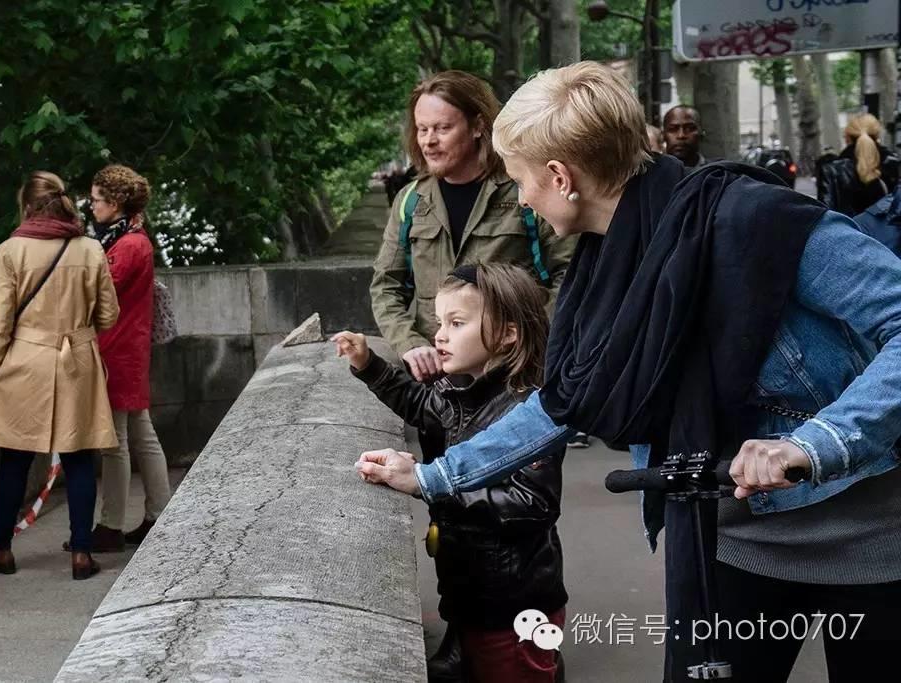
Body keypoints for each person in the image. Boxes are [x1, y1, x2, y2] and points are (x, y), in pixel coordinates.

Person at [356, 61, 901, 682]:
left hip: (870, 540)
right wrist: (436, 476)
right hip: (725, 542)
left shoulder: (765, 222)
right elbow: (561, 401)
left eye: (521, 182)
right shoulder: (606, 264)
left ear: (561, 178)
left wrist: (817, 443)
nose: (524, 202)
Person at [334, 263, 566, 683]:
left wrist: (433, 487)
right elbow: (420, 406)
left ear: (508, 333)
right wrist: (369, 365)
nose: (439, 334)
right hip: (473, 589)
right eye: (439, 322)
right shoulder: (459, 388)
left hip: (511, 598)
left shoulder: (526, 409)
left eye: (456, 323)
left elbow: (535, 503)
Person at [369, 70, 582, 457]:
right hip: (439, 383)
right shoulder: (410, 201)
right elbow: (386, 285)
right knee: (444, 497)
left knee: (520, 500)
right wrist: (411, 344)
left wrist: (524, 337)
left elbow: (571, 274)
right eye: (422, 130)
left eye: (442, 128)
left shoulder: (524, 189)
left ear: (478, 126)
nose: (429, 141)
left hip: (514, 382)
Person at [0, 171, 118, 580]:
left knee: (14, 460)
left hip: (24, 362)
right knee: (79, 458)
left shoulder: (10, 250)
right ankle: (80, 555)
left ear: (27, 206)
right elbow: (109, 315)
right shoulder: (90, 249)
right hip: (77, 360)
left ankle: (1, 551)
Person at [86, 164, 172, 552]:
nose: (91, 207)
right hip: (127, 348)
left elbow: (97, 290)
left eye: (97, 200)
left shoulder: (128, 245)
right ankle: (159, 513)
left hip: (117, 349)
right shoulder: (133, 239)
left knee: (115, 442)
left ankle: (110, 526)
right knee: (141, 433)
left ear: (116, 202)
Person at [817, 113, 900, 216]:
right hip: (888, 231)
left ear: (847, 137)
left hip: (847, 230)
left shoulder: (831, 168)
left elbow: (825, 212)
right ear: (877, 134)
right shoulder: (893, 164)